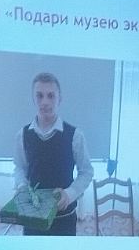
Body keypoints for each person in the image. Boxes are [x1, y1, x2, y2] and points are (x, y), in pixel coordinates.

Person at [11, 71, 93, 236]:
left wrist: (69, 194)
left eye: (51, 96)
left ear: (59, 99)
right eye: (39, 96)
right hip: (33, 217)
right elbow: (19, 167)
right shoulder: (22, 135)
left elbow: (86, 172)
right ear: (33, 99)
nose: (45, 102)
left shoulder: (75, 135)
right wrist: (22, 186)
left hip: (64, 218)